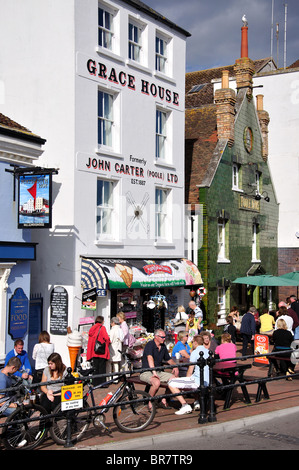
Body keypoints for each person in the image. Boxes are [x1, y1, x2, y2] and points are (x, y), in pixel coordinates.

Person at [168, 335, 209, 415]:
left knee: (171, 383)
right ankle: (197, 401)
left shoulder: (195, 352)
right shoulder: (207, 351)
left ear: (196, 342)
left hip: (198, 381)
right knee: (191, 379)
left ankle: (184, 405)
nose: (192, 344)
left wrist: (185, 383)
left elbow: (190, 371)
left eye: (193, 342)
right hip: (207, 381)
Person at [140, 329, 179, 409]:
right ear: (156, 337)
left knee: (174, 379)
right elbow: (150, 358)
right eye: (162, 337)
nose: (164, 339)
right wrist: (154, 372)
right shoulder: (150, 345)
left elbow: (168, 359)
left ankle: (164, 398)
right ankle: (150, 401)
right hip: (147, 371)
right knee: (156, 382)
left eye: (165, 337)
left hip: (158, 371)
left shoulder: (163, 346)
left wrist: (175, 366)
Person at [86, 316, 111, 387]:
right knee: (102, 368)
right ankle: (102, 384)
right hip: (101, 352)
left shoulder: (92, 328)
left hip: (94, 352)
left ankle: (95, 383)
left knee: (95, 368)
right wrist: (108, 343)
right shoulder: (102, 328)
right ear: (102, 321)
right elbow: (106, 338)